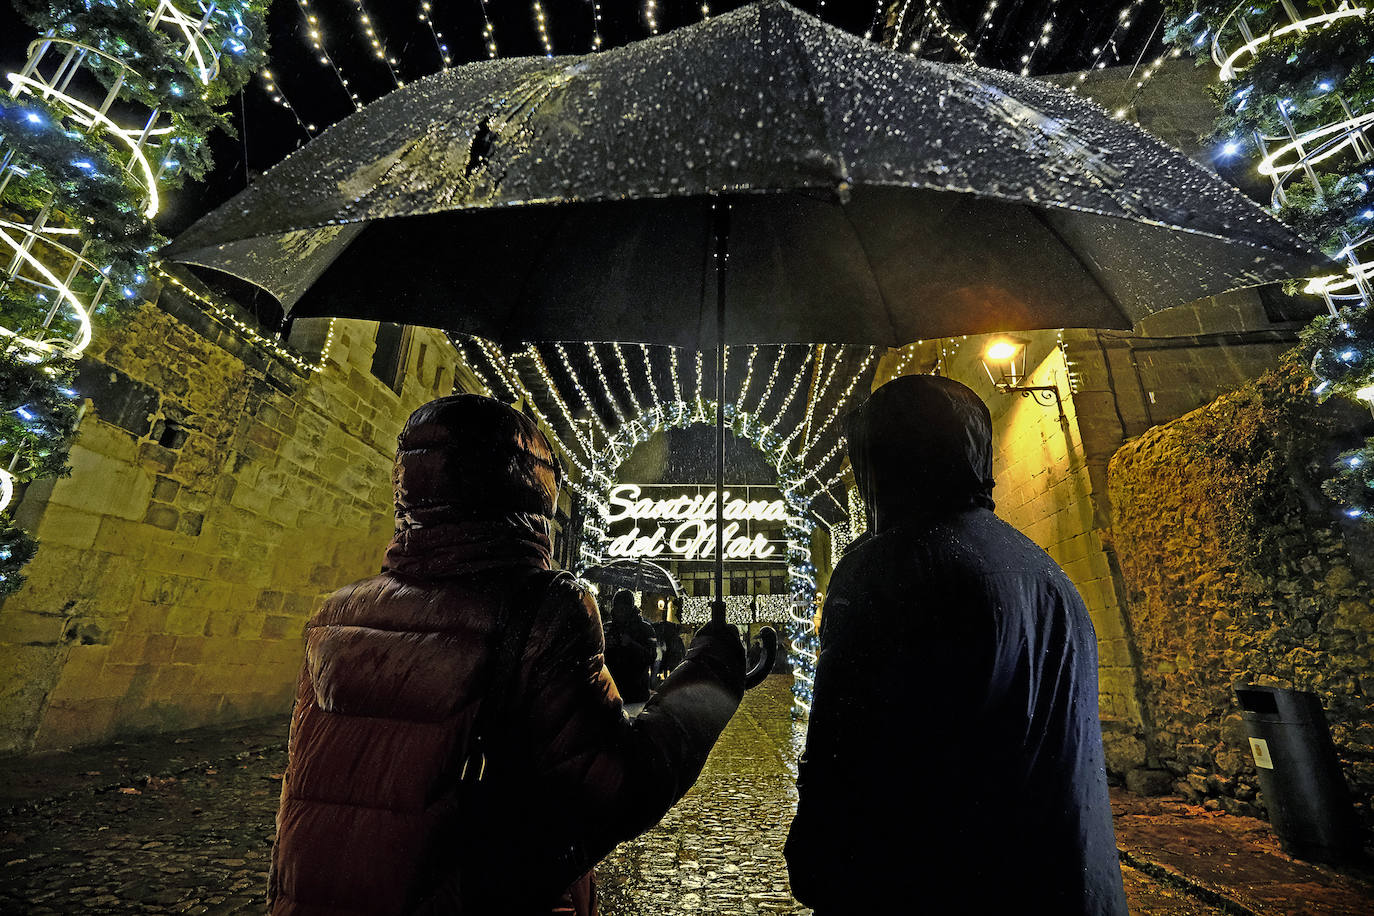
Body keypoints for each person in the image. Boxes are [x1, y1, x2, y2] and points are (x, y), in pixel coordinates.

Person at [269, 395, 745, 915]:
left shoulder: (335, 614)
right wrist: (711, 675)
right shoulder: (546, 609)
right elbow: (613, 790)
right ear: (531, 490)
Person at [785, 375, 1127, 915]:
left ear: (884, 464)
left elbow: (846, 755)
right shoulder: (1049, 576)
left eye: (861, 467)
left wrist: (818, 861)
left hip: (944, 887)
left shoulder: (889, 567)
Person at [602, 590, 657, 716]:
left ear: (630, 608)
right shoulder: (607, 628)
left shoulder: (645, 629)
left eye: (623, 608)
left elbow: (651, 657)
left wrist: (631, 644)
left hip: (636, 695)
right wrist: (605, 646)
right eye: (617, 608)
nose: (620, 612)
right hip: (611, 693)